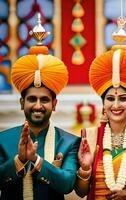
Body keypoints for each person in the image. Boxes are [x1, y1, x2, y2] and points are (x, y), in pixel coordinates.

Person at [74, 16, 126, 200]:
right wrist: (86, 168)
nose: (116, 105)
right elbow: (80, 192)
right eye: (110, 98)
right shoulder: (90, 137)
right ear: (103, 103)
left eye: (123, 99)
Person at [0, 15, 80, 200]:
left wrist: (36, 160)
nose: (38, 106)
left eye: (44, 100)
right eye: (32, 99)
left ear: (54, 104)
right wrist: (19, 160)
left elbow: (67, 184)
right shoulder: (3, 140)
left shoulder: (69, 142)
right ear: (22, 103)